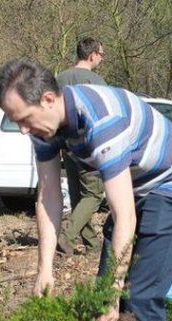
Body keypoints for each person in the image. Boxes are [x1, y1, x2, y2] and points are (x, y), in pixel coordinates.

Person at [0, 57, 172, 321]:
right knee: (105, 305)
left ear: (48, 99)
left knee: (140, 299)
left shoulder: (101, 120)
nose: (22, 130)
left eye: (24, 120)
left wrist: (114, 292)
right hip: (136, 190)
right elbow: (48, 196)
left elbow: (125, 217)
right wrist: (44, 269)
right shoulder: (45, 126)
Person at [56, 37, 107, 256]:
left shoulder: (60, 79)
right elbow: (105, 117)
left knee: (79, 195)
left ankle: (92, 244)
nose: (102, 59)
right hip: (89, 146)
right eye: (101, 55)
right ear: (92, 54)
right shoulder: (97, 81)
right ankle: (66, 237)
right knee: (94, 195)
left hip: (67, 144)